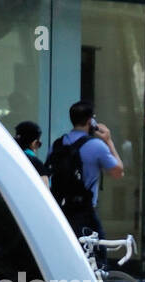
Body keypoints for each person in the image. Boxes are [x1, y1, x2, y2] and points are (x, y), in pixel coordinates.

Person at [45, 101, 125, 261]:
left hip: (61, 209)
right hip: (85, 211)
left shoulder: (57, 144)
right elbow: (118, 172)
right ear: (91, 121)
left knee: (66, 256)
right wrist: (108, 141)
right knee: (97, 257)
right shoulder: (97, 146)